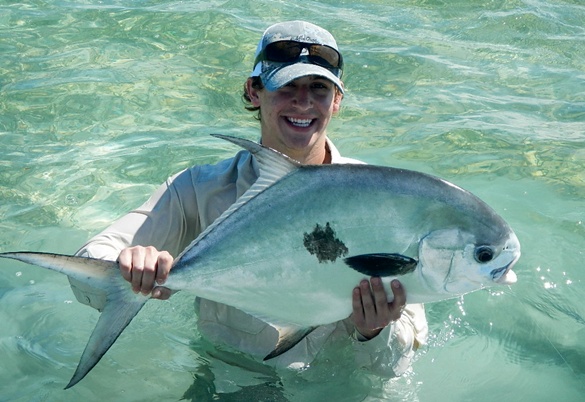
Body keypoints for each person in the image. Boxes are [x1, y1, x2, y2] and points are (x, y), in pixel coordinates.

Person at [69, 20, 428, 389]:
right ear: (254, 91)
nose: (303, 102)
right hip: (229, 385)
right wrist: (127, 266)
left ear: (336, 101)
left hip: (337, 391)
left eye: (319, 88)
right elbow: (89, 266)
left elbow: (393, 368)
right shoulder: (197, 190)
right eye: (286, 85)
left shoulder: (384, 198)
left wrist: (374, 331)